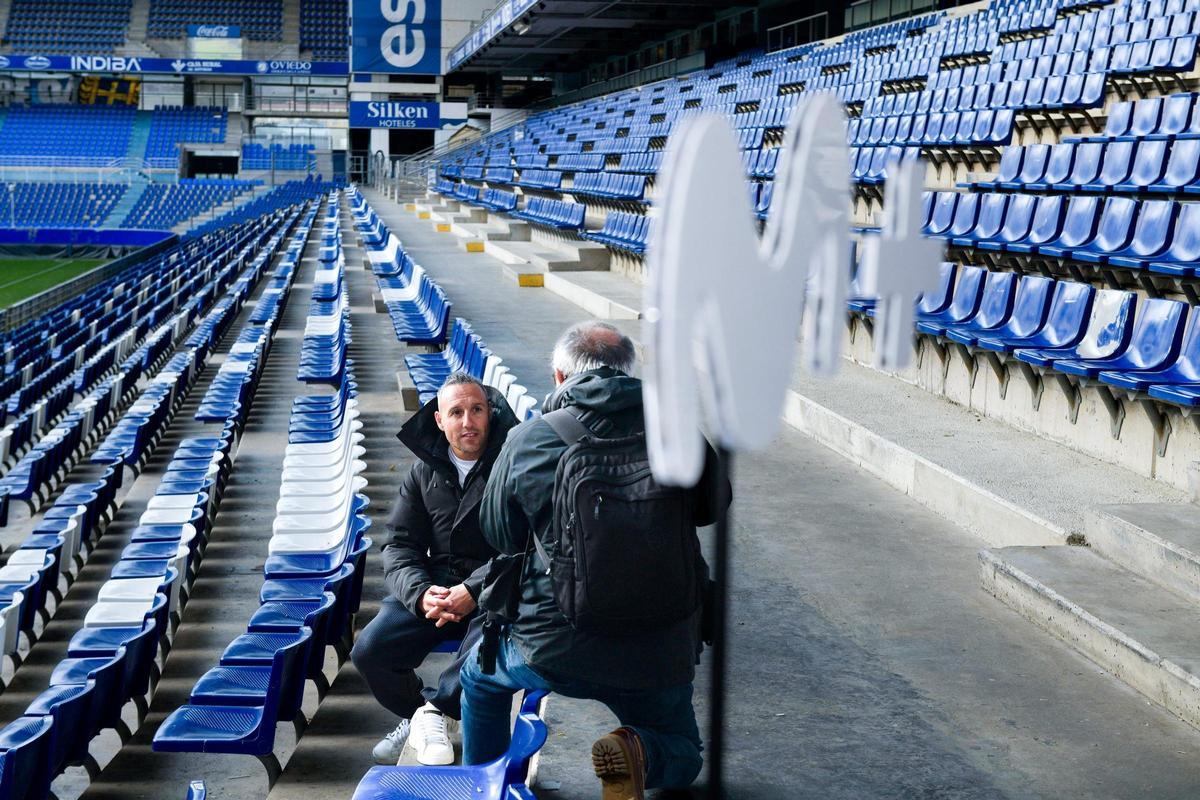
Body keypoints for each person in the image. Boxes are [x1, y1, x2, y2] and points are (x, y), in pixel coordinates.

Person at [462, 321, 727, 799]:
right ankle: (641, 750)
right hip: (659, 645)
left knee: (479, 681)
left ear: (560, 377)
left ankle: (481, 785)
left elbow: (500, 534)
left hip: (556, 642)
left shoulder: (529, 438)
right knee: (683, 752)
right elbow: (712, 507)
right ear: (629, 371)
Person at [351, 372, 519, 766]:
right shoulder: (422, 471)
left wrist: (474, 590)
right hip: (436, 589)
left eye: (476, 410)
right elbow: (399, 544)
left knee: (489, 647)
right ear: (439, 420)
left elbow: (525, 547)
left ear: (489, 414)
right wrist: (420, 591)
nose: (468, 422)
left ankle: (432, 714)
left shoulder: (514, 463)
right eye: (456, 412)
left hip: (495, 588)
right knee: (370, 651)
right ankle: (424, 716)